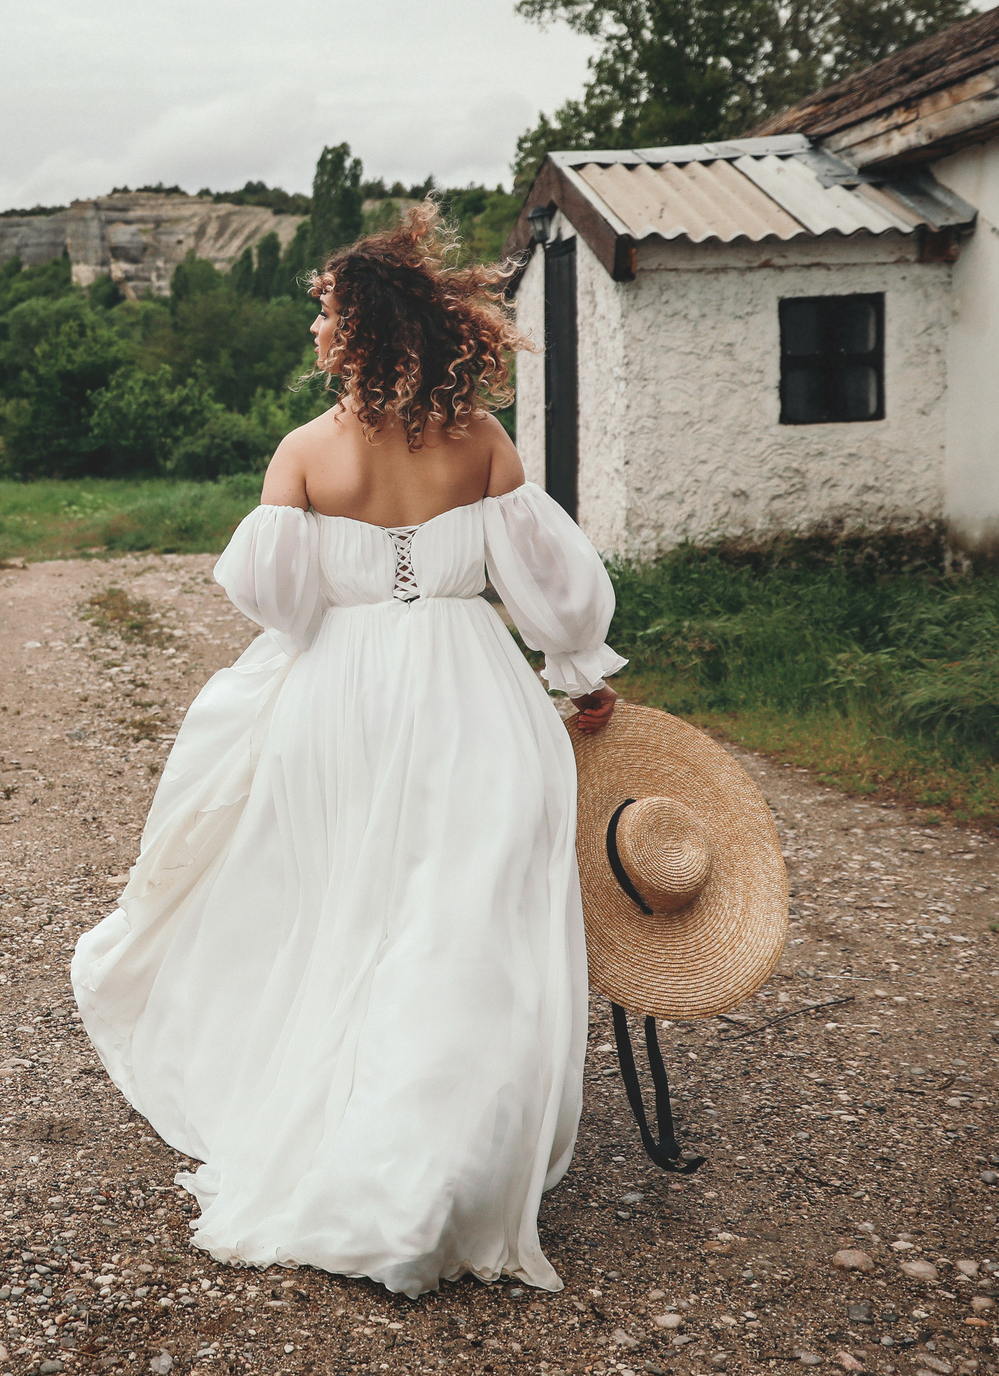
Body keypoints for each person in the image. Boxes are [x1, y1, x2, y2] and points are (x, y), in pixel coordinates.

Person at [71, 201, 626, 1298]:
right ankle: (438, 1164)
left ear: (363, 330)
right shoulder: (480, 442)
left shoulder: (307, 453)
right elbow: (546, 592)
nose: (316, 334)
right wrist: (580, 672)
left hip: (341, 705)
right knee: (463, 919)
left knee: (352, 912)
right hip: (473, 697)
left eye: (325, 316)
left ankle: (367, 1146)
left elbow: (274, 603)